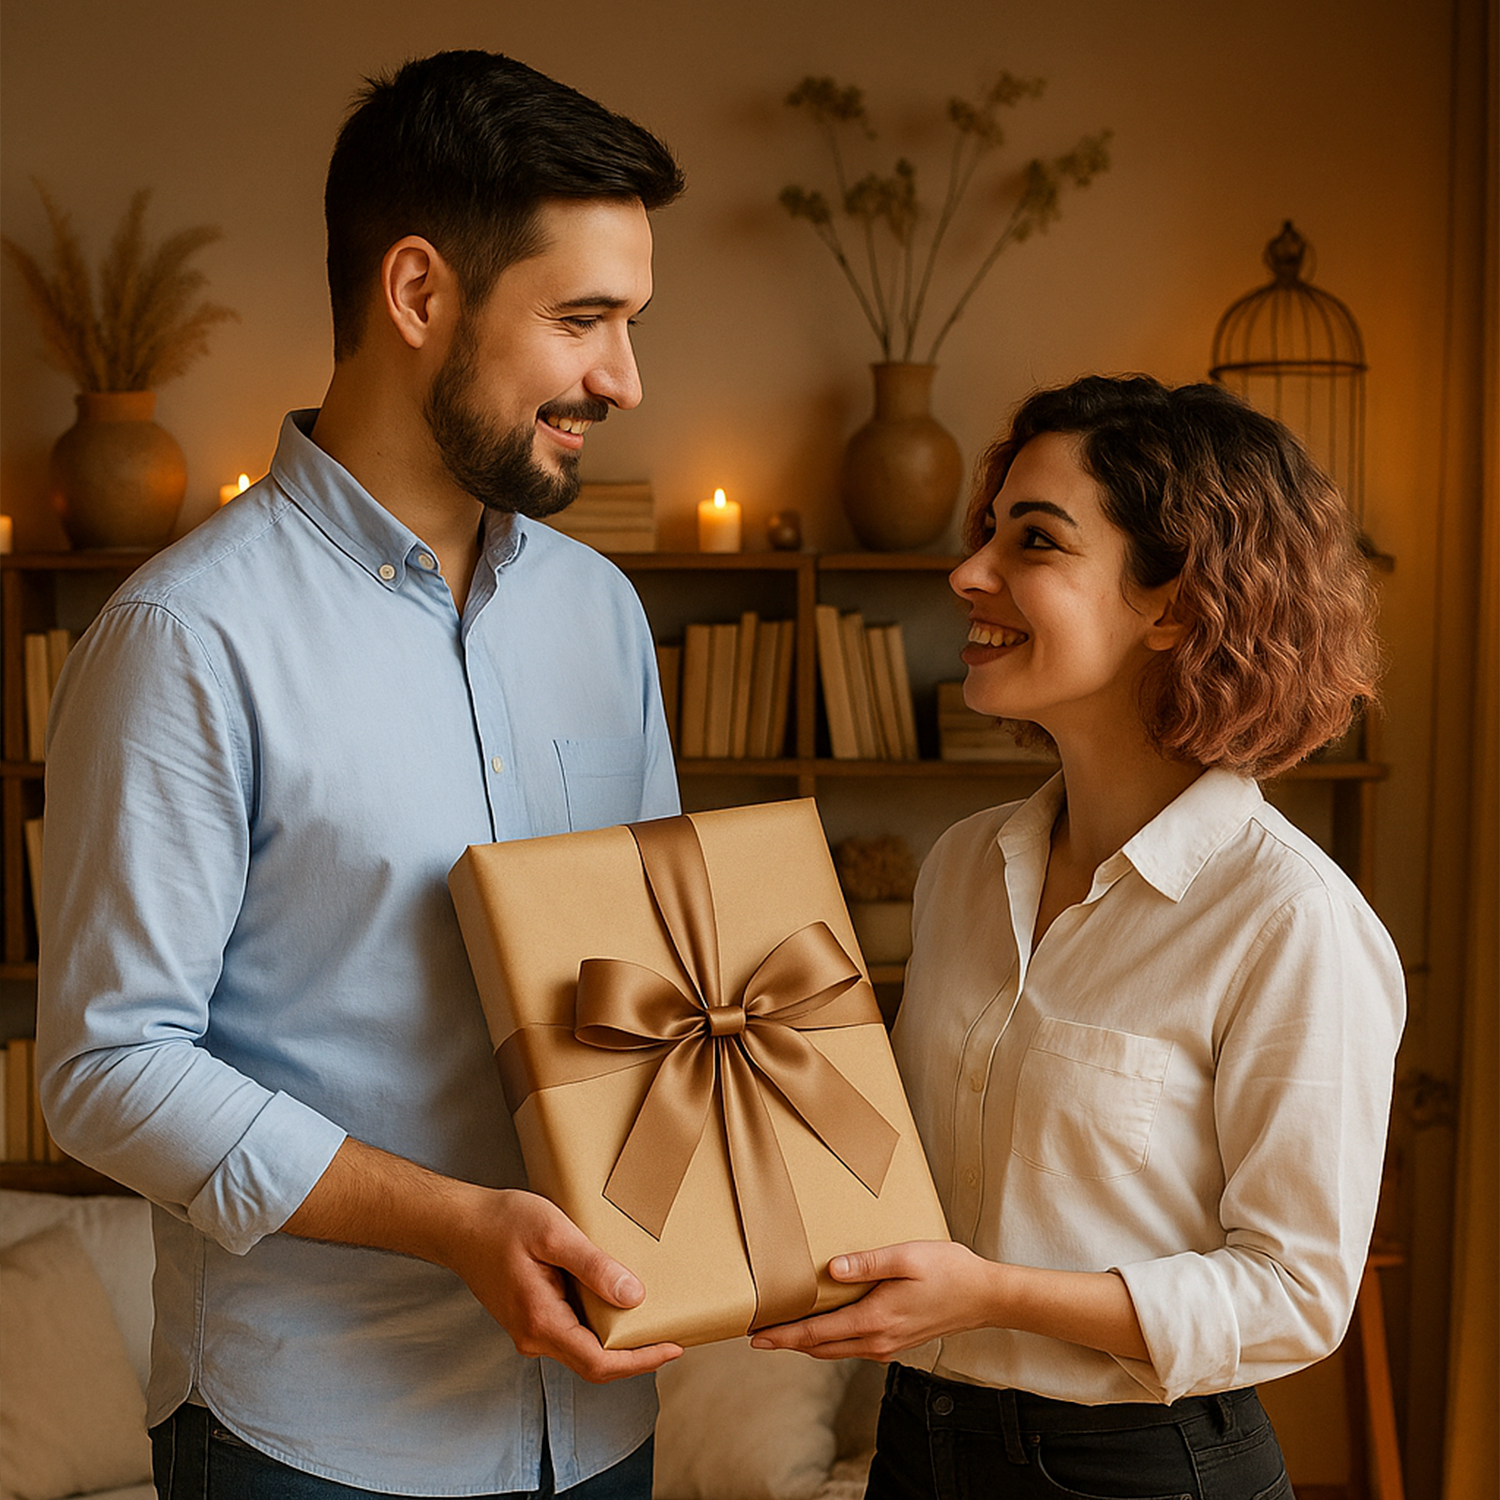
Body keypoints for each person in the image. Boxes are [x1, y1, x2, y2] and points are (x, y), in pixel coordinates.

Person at [38, 50, 686, 1500]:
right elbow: (103, 1067)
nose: (623, 379)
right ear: (416, 295)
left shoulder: (602, 614)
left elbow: (660, 975)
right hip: (312, 1442)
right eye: (583, 319)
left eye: (632, 322)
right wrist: (455, 1225)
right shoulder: (185, 635)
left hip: (605, 1427)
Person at [752, 375, 1405, 1499]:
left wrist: (995, 1296)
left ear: (1176, 605)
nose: (968, 573)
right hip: (918, 1447)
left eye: (1035, 540)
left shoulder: (1291, 920)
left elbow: (1296, 1297)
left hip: (1138, 1471)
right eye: (985, 531)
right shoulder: (963, 865)